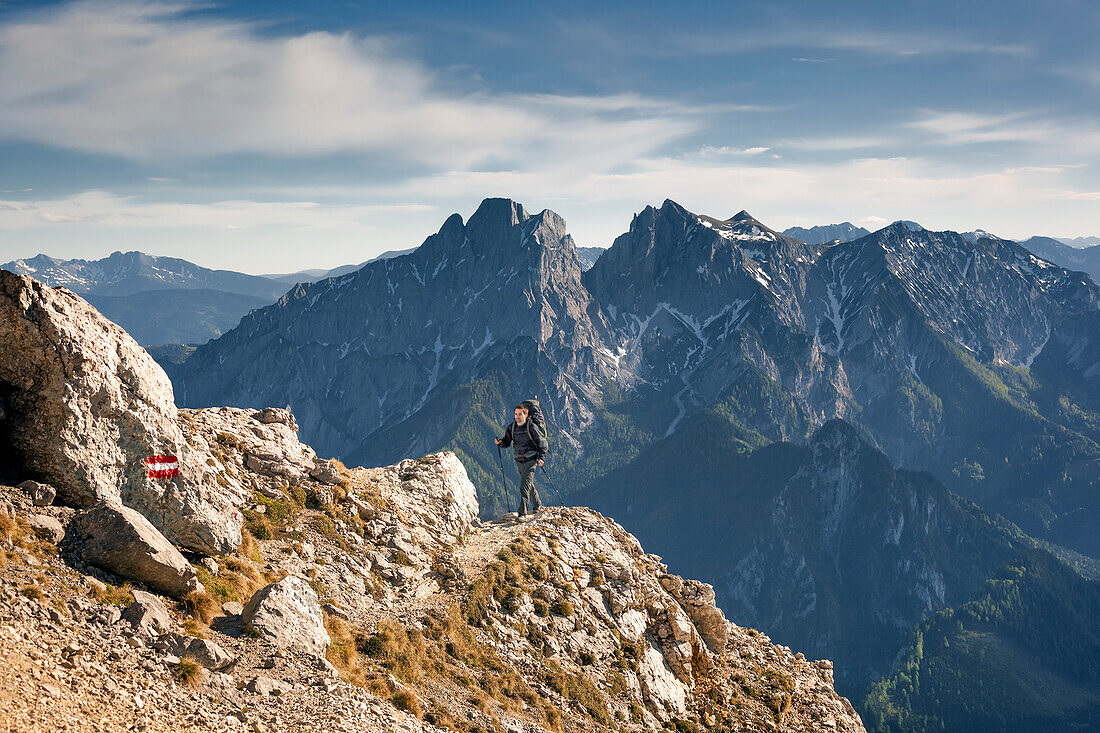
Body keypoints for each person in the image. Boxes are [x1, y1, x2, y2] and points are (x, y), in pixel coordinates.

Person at [494, 403, 548, 518]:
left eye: (520, 414)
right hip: (519, 460)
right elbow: (507, 442)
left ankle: (522, 514)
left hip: (531, 460)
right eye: (516, 414)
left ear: (526, 414)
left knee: (524, 485)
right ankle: (537, 504)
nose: (517, 416)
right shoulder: (512, 427)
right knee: (528, 483)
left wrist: (541, 458)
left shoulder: (531, 427)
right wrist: (501, 443)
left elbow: (542, 444)